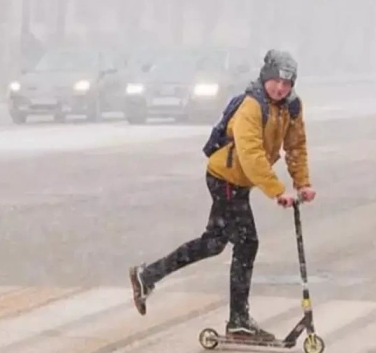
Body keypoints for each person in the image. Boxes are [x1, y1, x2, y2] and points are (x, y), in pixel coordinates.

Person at [128, 49, 317, 342]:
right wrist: (277, 191)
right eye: (277, 81)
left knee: (214, 242)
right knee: (247, 242)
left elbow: (296, 146)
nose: (281, 87)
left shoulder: (290, 107)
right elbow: (251, 154)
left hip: (239, 181)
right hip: (225, 178)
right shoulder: (252, 107)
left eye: (287, 83)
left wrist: (302, 183)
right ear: (266, 77)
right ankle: (238, 321)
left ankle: (148, 275)